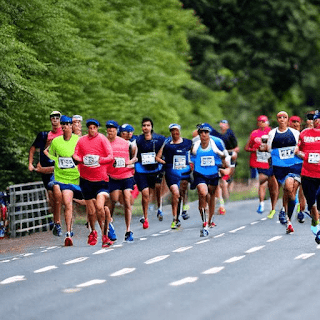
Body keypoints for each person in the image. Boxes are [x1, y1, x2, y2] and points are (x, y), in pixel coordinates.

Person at [73, 118, 114, 247]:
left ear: (97, 128)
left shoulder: (102, 139)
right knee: (91, 211)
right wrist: (81, 160)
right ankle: (93, 232)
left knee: (100, 207)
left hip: (101, 180)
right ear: (87, 129)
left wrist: (98, 160)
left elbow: (110, 156)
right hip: (86, 179)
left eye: (94, 128)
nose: (92, 130)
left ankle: (105, 235)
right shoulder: (81, 140)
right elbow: (75, 155)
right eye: (90, 128)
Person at [44, 116, 80, 246]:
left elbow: (83, 155)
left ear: (72, 126)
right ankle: (65, 230)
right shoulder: (56, 141)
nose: (65, 126)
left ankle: (92, 227)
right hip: (60, 177)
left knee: (75, 203)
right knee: (62, 198)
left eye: (67, 124)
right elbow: (48, 153)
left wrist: (77, 162)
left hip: (75, 177)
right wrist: (56, 161)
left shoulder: (78, 140)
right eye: (63, 124)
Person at [267, 111, 303, 234]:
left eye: (284, 117)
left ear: (288, 120)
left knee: (289, 187)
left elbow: (301, 147)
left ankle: (288, 218)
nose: (282, 119)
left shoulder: (295, 133)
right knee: (288, 192)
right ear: (277, 119)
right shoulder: (272, 133)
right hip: (280, 168)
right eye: (279, 117)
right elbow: (268, 149)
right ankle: (288, 214)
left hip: (295, 166)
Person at [28, 111, 63, 234]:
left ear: (60, 119)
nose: (55, 119)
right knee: (51, 198)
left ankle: (59, 222)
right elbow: (33, 148)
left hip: (58, 169)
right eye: (52, 118)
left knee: (58, 193)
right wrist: (30, 163)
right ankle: (56, 222)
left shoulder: (64, 134)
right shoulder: (43, 135)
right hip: (45, 169)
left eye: (57, 117)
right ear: (50, 120)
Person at [191, 123, 228, 237]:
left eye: (206, 132)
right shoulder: (195, 145)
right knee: (203, 193)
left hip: (213, 174)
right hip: (200, 174)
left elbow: (224, 159)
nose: (203, 134)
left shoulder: (216, 143)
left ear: (209, 133)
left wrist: (224, 165)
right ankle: (204, 222)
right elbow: (190, 159)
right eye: (201, 132)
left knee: (211, 197)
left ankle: (210, 219)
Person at [156, 124, 192, 229]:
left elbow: (193, 154)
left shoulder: (187, 142)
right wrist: (166, 163)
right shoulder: (167, 144)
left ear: (179, 131)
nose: (175, 133)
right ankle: (175, 219)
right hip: (171, 172)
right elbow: (157, 157)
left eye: (176, 131)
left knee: (181, 193)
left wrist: (191, 163)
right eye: (172, 131)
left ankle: (183, 209)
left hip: (184, 172)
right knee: (175, 194)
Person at [132, 117, 166, 228]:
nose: (145, 127)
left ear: (151, 127)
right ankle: (145, 217)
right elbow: (132, 151)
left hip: (155, 169)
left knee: (157, 187)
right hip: (142, 169)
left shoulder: (159, 139)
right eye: (144, 125)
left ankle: (159, 207)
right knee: (145, 193)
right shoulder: (138, 140)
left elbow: (166, 148)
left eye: (148, 125)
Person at [106, 120, 136, 242]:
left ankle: (128, 230)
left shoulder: (127, 144)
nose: (110, 131)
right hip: (112, 176)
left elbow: (135, 158)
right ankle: (109, 224)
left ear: (116, 130)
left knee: (127, 202)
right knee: (113, 200)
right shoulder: (105, 143)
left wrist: (129, 163)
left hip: (127, 175)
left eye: (113, 129)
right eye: (109, 130)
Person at [244, 115, 278, 217]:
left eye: (263, 121)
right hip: (259, 162)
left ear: (267, 122)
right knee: (262, 183)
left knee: (272, 187)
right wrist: (255, 150)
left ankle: (273, 207)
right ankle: (261, 204)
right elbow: (247, 147)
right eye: (259, 121)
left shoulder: (272, 132)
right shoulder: (254, 133)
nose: (261, 123)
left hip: (271, 163)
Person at [296, 112, 320, 243]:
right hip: (308, 174)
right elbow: (297, 150)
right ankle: (315, 223)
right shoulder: (304, 133)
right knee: (312, 204)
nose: (317, 122)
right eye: (316, 119)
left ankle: (318, 229)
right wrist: (304, 156)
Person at [288, 116, 307, 223]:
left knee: (302, 190)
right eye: (293, 122)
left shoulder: (303, 135)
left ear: (300, 124)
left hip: (302, 165)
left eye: (297, 122)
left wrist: (299, 153)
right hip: (289, 166)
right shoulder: (285, 136)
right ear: (289, 123)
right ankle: (287, 212)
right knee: (291, 190)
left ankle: (301, 211)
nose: (295, 124)